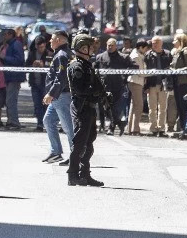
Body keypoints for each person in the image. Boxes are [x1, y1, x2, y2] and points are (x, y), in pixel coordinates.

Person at [67, 34, 105, 187]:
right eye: (90, 47)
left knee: (88, 143)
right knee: (80, 143)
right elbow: (79, 89)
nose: (92, 49)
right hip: (81, 107)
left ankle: (85, 174)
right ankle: (72, 174)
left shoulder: (87, 65)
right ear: (83, 48)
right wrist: (93, 91)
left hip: (89, 108)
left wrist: (102, 93)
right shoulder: (77, 66)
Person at [41, 32, 74, 164]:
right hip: (58, 96)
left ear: (59, 40)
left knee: (68, 127)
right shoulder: (61, 53)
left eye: (52, 39)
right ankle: (56, 152)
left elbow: (61, 78)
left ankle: (76, 155)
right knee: (48, 121)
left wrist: (51, 94)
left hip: (61, 96)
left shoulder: (62, 55)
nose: (50, 41)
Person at [94, 37, 132, 134]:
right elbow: (95, 69)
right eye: (108, 45)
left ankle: (111, 127)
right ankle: (119, 122)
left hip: (118, 86)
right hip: (104, 86)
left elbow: (133, 67)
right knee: (105, 108)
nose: (110, 47)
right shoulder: (100, 57)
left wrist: (125, 77)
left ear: (116, 46)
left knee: (114, 108)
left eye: (112, 45)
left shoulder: (123, 57)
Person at [144, 36, 172, 136]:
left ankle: (162, 129)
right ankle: (153, 128)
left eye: (156, 43)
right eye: (153, 43)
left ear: (161, 44)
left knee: (163, 108)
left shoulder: (167, 54)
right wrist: (145, 86)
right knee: (152, 108)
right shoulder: (148, 55)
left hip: (163, 85)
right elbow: (145, 71)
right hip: (151, 85)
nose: (154, 45)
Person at [27, 29, 51, 131]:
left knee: (46, 105)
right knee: (37, 105)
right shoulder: (32, 54)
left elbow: (52, 67)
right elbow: (25, 65)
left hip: (45, 84)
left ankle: (46, 123)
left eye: (43, 47)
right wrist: (32, 65)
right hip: (34, 83)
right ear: (36, 46)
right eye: (40, 47)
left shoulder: (49, 54)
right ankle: (39, 124)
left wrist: (44, 65)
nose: (42, 49)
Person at [127, 39, 149, 135]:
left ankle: (131, 127)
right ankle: (135, 128)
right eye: (145, 48)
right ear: (140, 47)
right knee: (139, 106)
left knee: (134, 105)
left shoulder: (138, 55)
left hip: (136, 82)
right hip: (135, 82)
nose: (146, 50)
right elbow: (140, 72)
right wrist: (151, 73)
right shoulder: (136, 57)